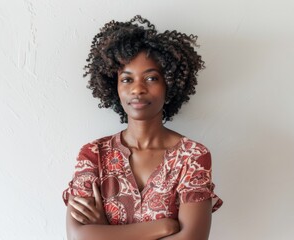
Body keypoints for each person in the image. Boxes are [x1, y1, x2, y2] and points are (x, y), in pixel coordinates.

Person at [63, 15, 223, 240]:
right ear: (113, 86)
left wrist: (106, 232)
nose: (137, 89)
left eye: (151, 78)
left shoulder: (192, 156)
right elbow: (78, 237)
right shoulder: (93, 155)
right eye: (127, 80)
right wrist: (163, 227)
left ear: (170, 84)